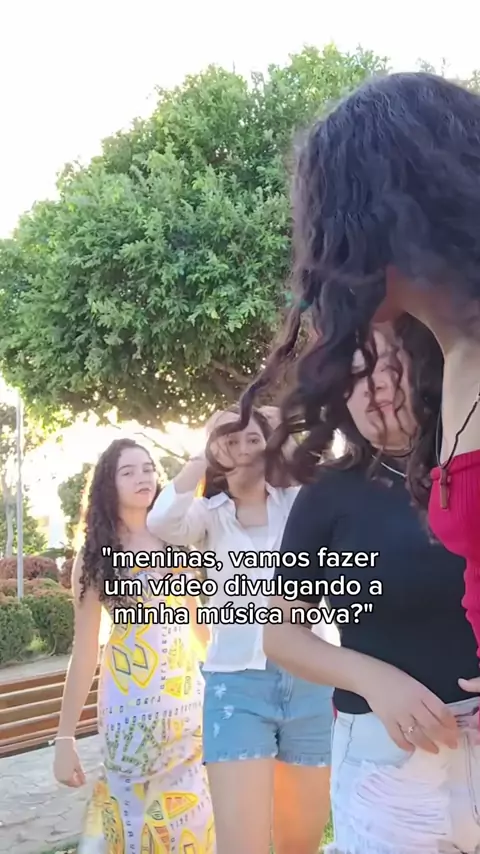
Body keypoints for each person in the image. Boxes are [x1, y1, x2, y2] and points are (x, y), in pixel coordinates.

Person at [235, 70, 480, 695]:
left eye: (329, 219)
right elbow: (280, 628)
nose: (320, 257)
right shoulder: (457, 355)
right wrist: (377, 684)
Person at [261, 325, 480, 854]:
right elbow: (280, 634)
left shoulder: (470, 472)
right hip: (386, 764)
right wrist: (375, 680)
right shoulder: (326, 496)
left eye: (388, 363)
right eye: (355, 373)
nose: (375, 384)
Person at [147, 406, 333, 854]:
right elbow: (161, 521)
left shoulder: (299, 503)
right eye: (231, 441)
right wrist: (203, 454)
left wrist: (282, 430)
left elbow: (324, 479)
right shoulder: (207, 516)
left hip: (311, 681)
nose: (245, 449)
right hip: (236, 688)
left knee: (300, 844)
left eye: (254, 439)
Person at [53, 438, 214, 854]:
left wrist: (225, 682)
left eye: (147, 468)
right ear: (109, 485)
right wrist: (65, 739)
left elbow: (197, 626)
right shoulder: (95, 557)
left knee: (192, 824)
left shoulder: (177, 542)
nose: (143, 477)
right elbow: (84, 651)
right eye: (128, 471)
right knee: (133, 826)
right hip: (128, 712)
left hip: (187, 707)